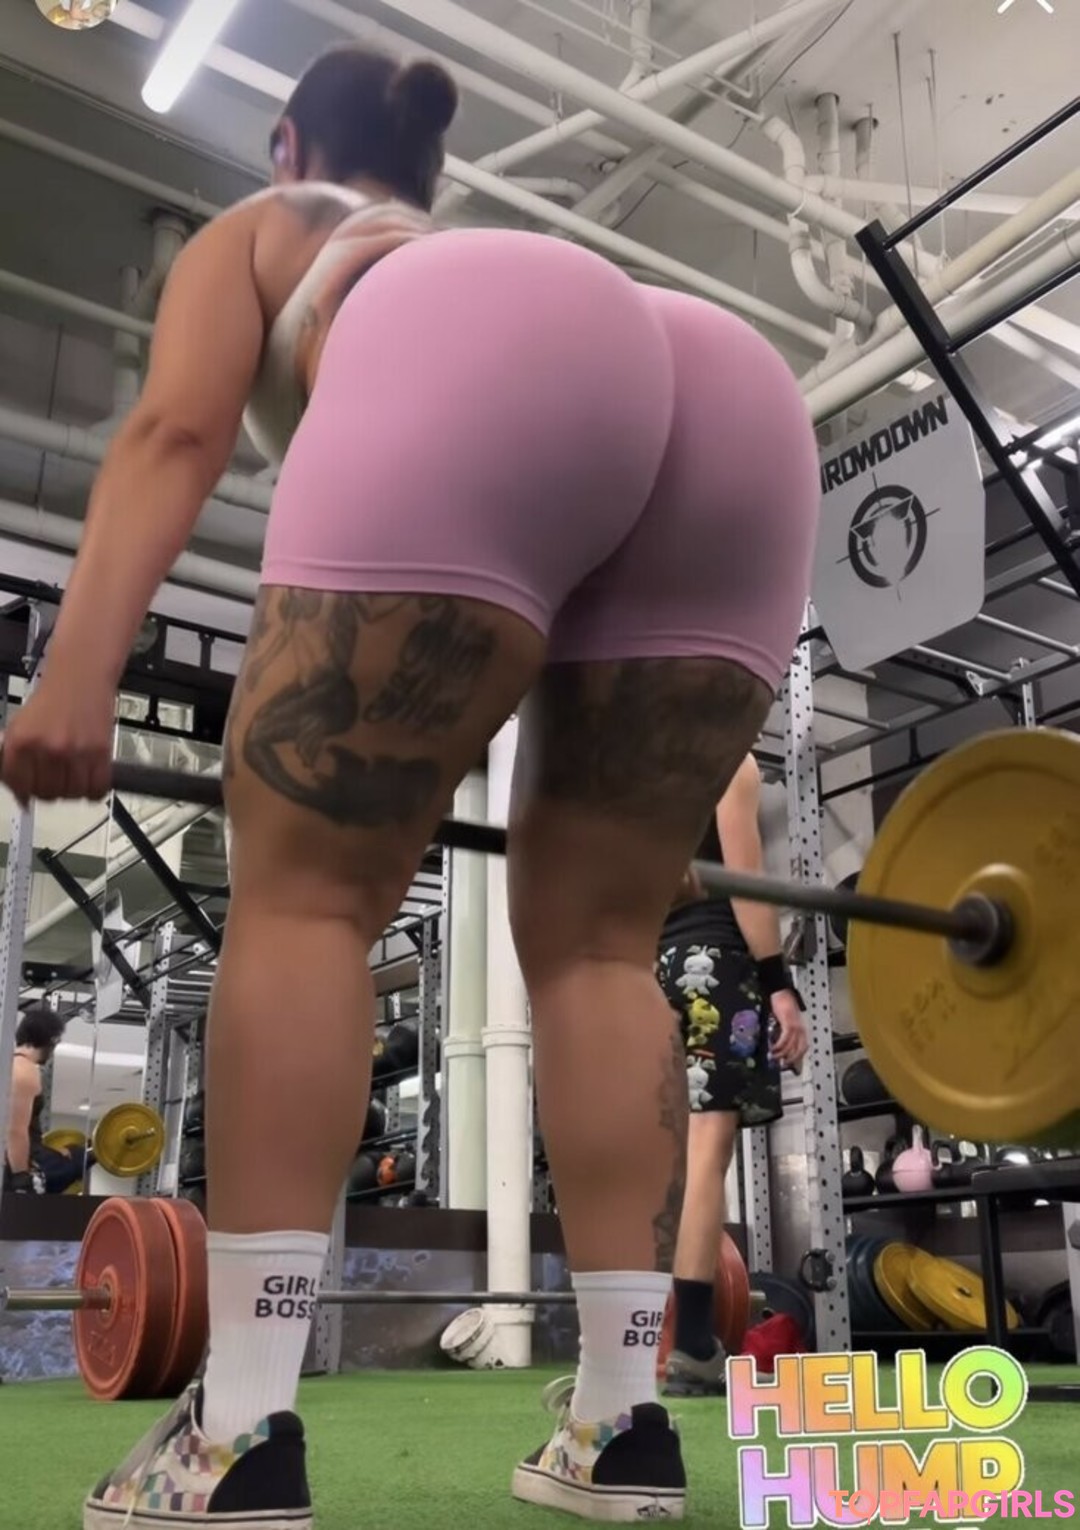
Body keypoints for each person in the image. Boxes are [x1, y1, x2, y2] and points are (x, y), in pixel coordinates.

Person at [0, 41, 819, 1530]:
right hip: (730, 392)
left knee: (309, 896)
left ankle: (237, 1432)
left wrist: (76, 669)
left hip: (486, 351)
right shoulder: (445, 244)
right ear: (428, 173)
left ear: (289, 145)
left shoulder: (275, 229)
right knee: (602, 947)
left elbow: (176, 428)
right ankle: (621, 1420)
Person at [657, 753, 809, 1396]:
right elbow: (746, 880)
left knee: (669, 1162)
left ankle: (651, 1335)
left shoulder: (651, 769)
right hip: (716, 963)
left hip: (654, 967)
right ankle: (692, 1345)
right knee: (706, 1152)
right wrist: (780, 986)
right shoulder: (728, 760)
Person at [3, 1004, 89, 1196]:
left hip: (21, 1157)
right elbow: (15, 1130)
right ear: (51, 1041)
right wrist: (21, 1177)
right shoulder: (25, 1070)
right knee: (83, 1156)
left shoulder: (8, 1064)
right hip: (17, 1165)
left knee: (72, 1153)